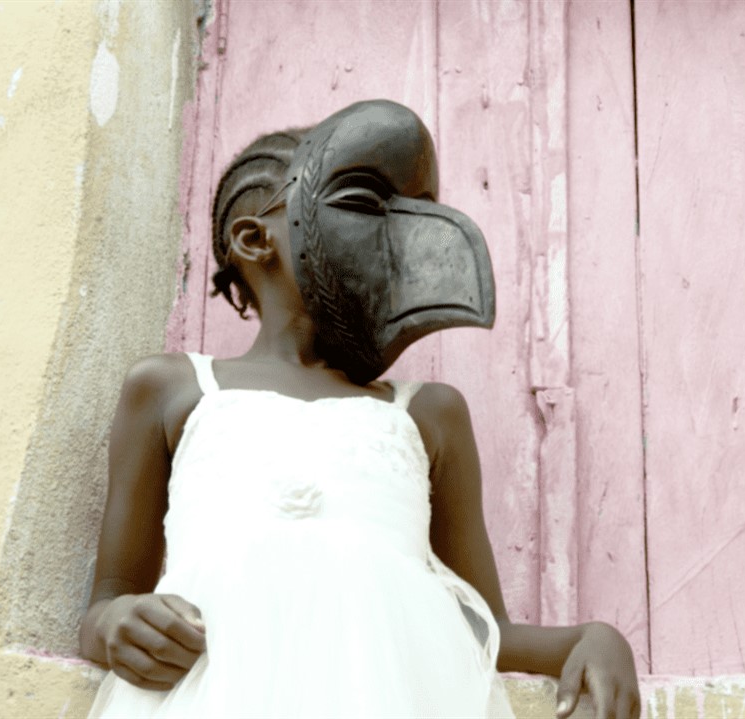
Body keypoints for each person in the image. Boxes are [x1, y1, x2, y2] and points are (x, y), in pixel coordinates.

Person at [80, 100, 640, 719]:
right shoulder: (171, 388)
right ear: (253, 239)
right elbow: (107, 597)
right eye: (360, 206)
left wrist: (591, 639)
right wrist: (115, 624)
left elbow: (483, 626)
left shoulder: (428, 413)